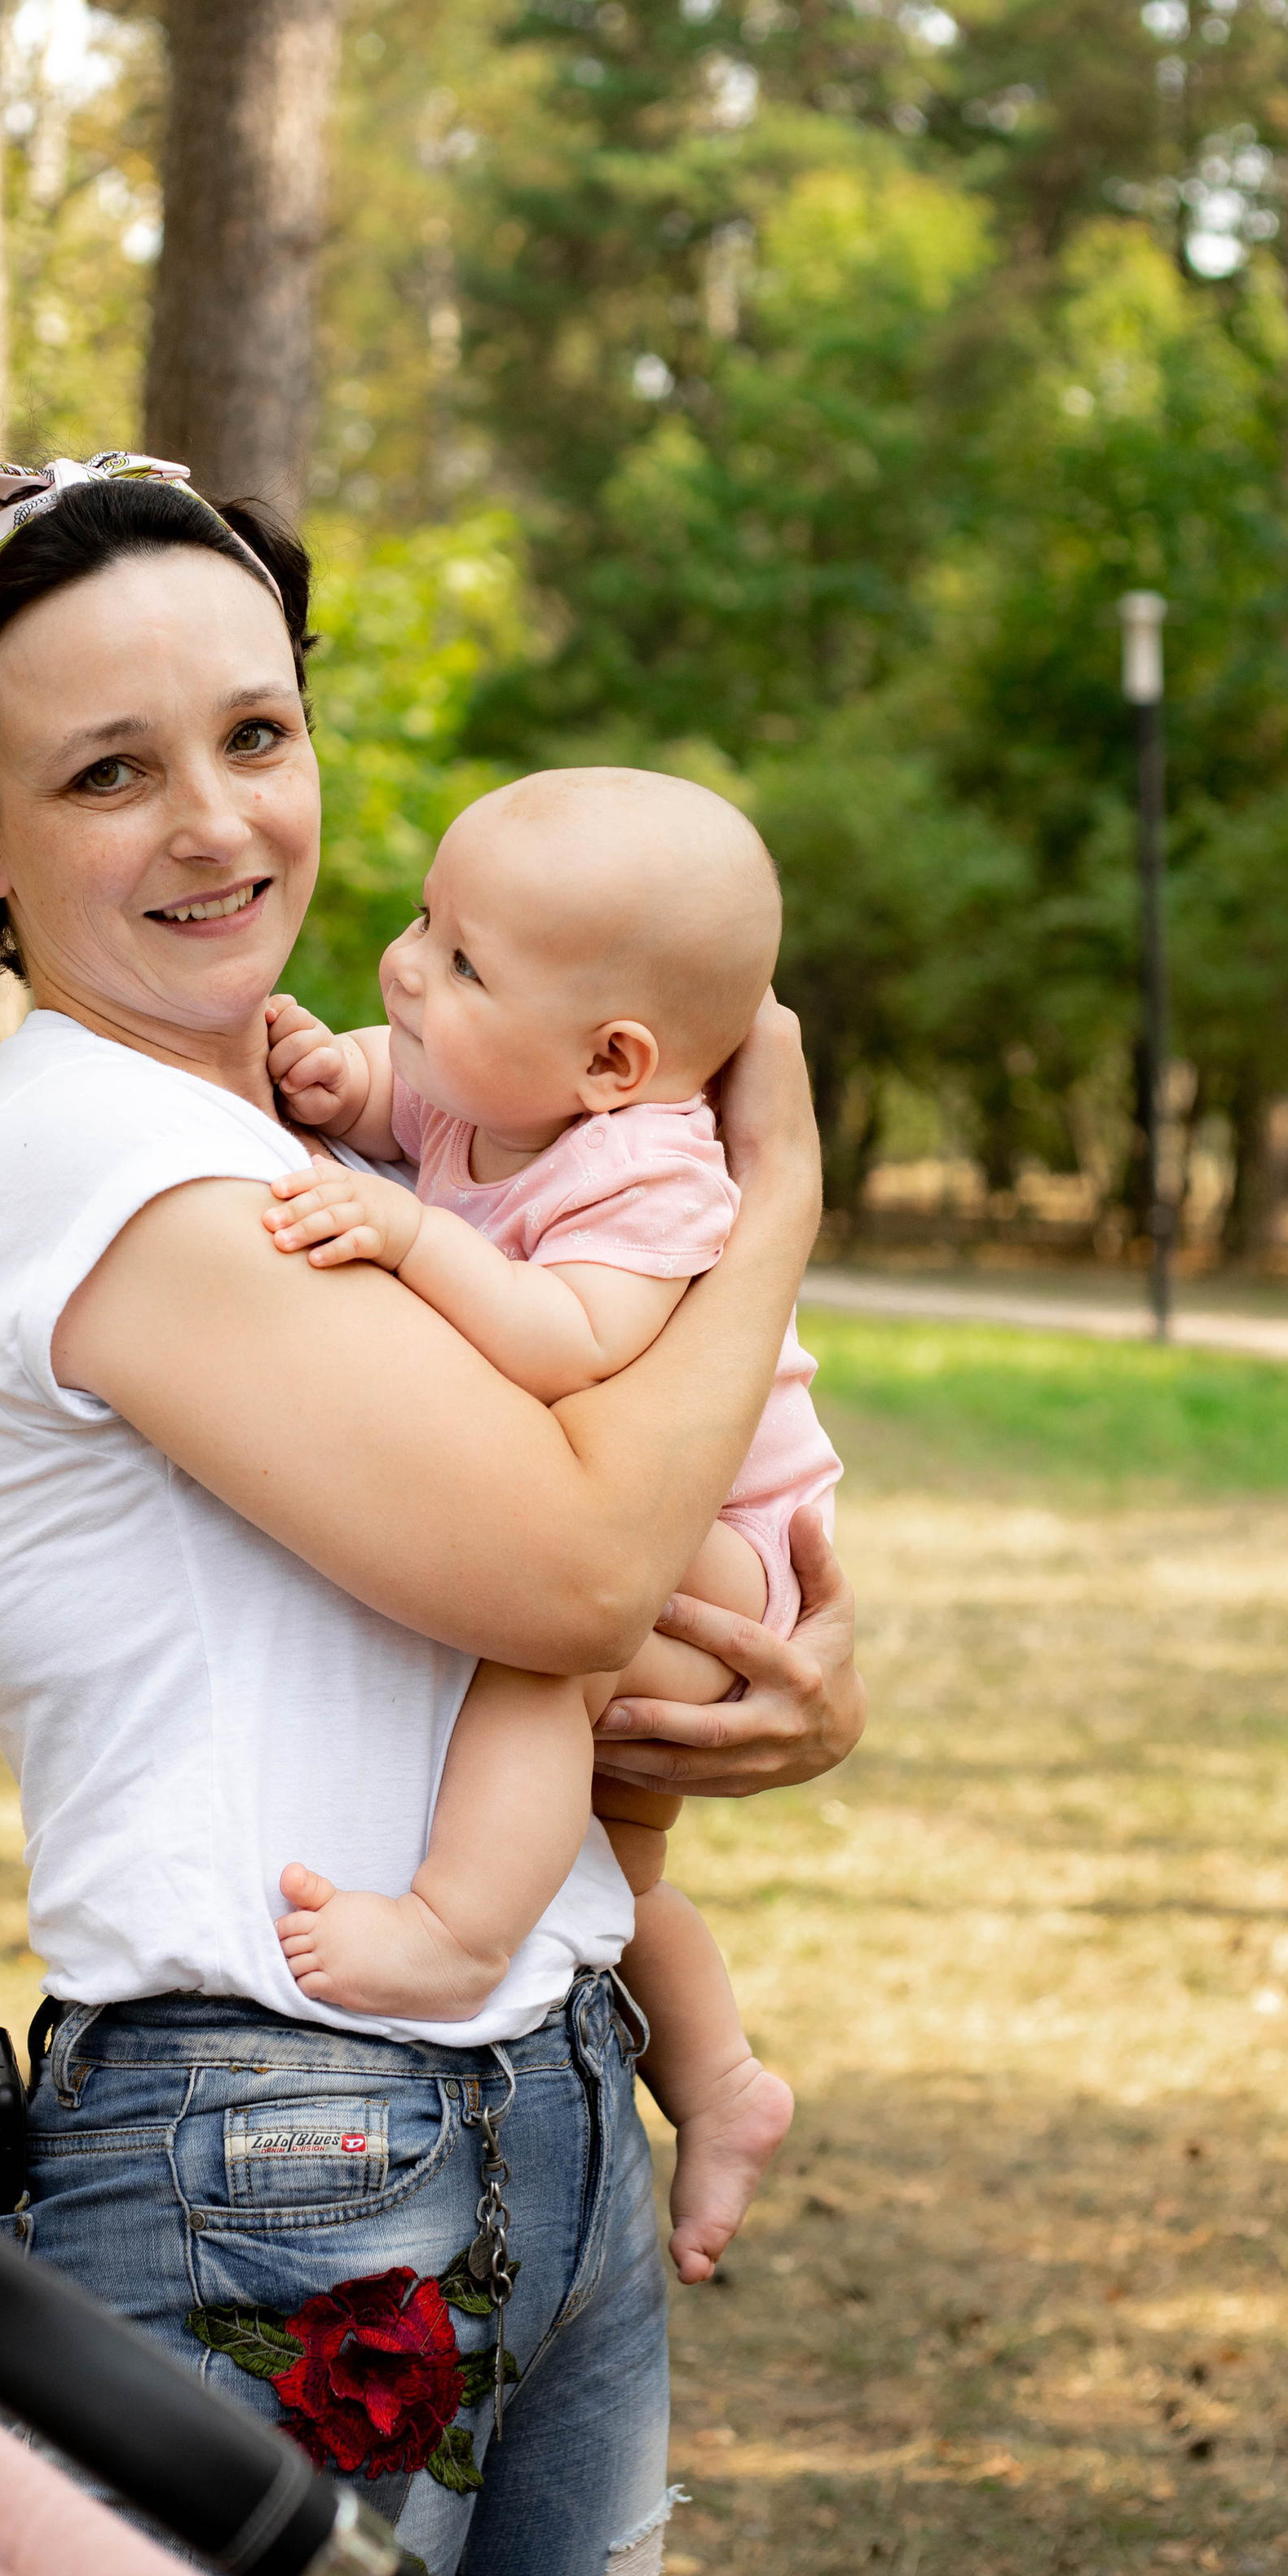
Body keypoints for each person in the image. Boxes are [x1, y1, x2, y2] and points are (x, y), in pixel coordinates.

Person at [0, 446, 865, 2576]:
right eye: (107, 771)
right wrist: (778, 1207)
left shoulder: (364, 1147)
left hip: (559, 2099)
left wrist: (803, 1695)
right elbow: (585, 1572)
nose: (217, 827)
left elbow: (634, 1578)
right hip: (283, 2148)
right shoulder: (108, 1168)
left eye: (258, 737)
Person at [257, 767, 840, 2287]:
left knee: (537, 1667)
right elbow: (404, 1087)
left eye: (458, 962)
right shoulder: (497, 1089)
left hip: (726, 1553)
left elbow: (564, 1339)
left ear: (613, 1060)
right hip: (669, 1526)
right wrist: (340, 1085)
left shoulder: (649, 1172)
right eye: (423, 921)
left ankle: (456, 1933)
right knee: (617, 1871)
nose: (402, 964)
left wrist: (405, 1233)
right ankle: (721, 2084)